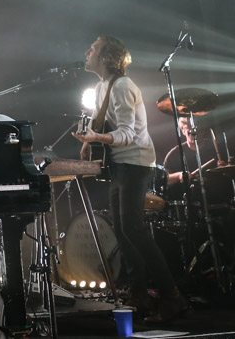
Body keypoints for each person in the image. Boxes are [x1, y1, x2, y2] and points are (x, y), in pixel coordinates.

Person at [73, 35, 188, 323]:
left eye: (93, 48)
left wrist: (96, 137)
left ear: (106, 57)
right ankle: (139, 295)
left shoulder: (123, 86)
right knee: (124, 231)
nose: (87, 51)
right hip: (120, 164)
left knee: (134, 229)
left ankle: (172, 297)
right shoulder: (101, 87)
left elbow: (126, 134)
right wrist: (88, 141)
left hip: (135, 163)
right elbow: (99, 123)